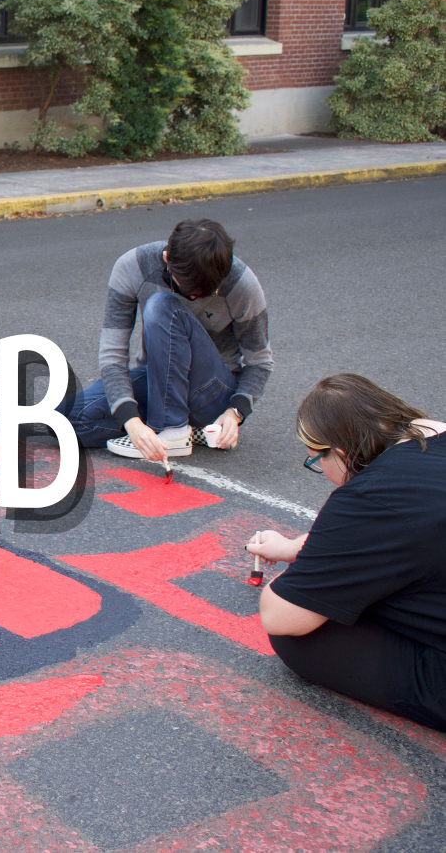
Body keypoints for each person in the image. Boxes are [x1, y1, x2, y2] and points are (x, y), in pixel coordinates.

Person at [248, 374, 446, 731]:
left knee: (302, 637)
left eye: (315, 461)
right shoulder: (432, 438)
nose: (320, 471)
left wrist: (304, 572)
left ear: (339, 452)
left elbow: (281, 616)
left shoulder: (369, 496)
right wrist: (295, 547)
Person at [58, 218, 273, 464]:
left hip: (211, 394)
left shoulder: (241, 283)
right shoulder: (133, 267)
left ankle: (174, 431)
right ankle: (181, 430)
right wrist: (132, 423)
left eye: (205, 293)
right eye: (185, 290)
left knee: (161, 306)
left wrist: (235, 413)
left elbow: (260, 361)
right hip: (158, 381)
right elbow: (112, 355)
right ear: (167, 258)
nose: (193, 297)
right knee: (62, 422)